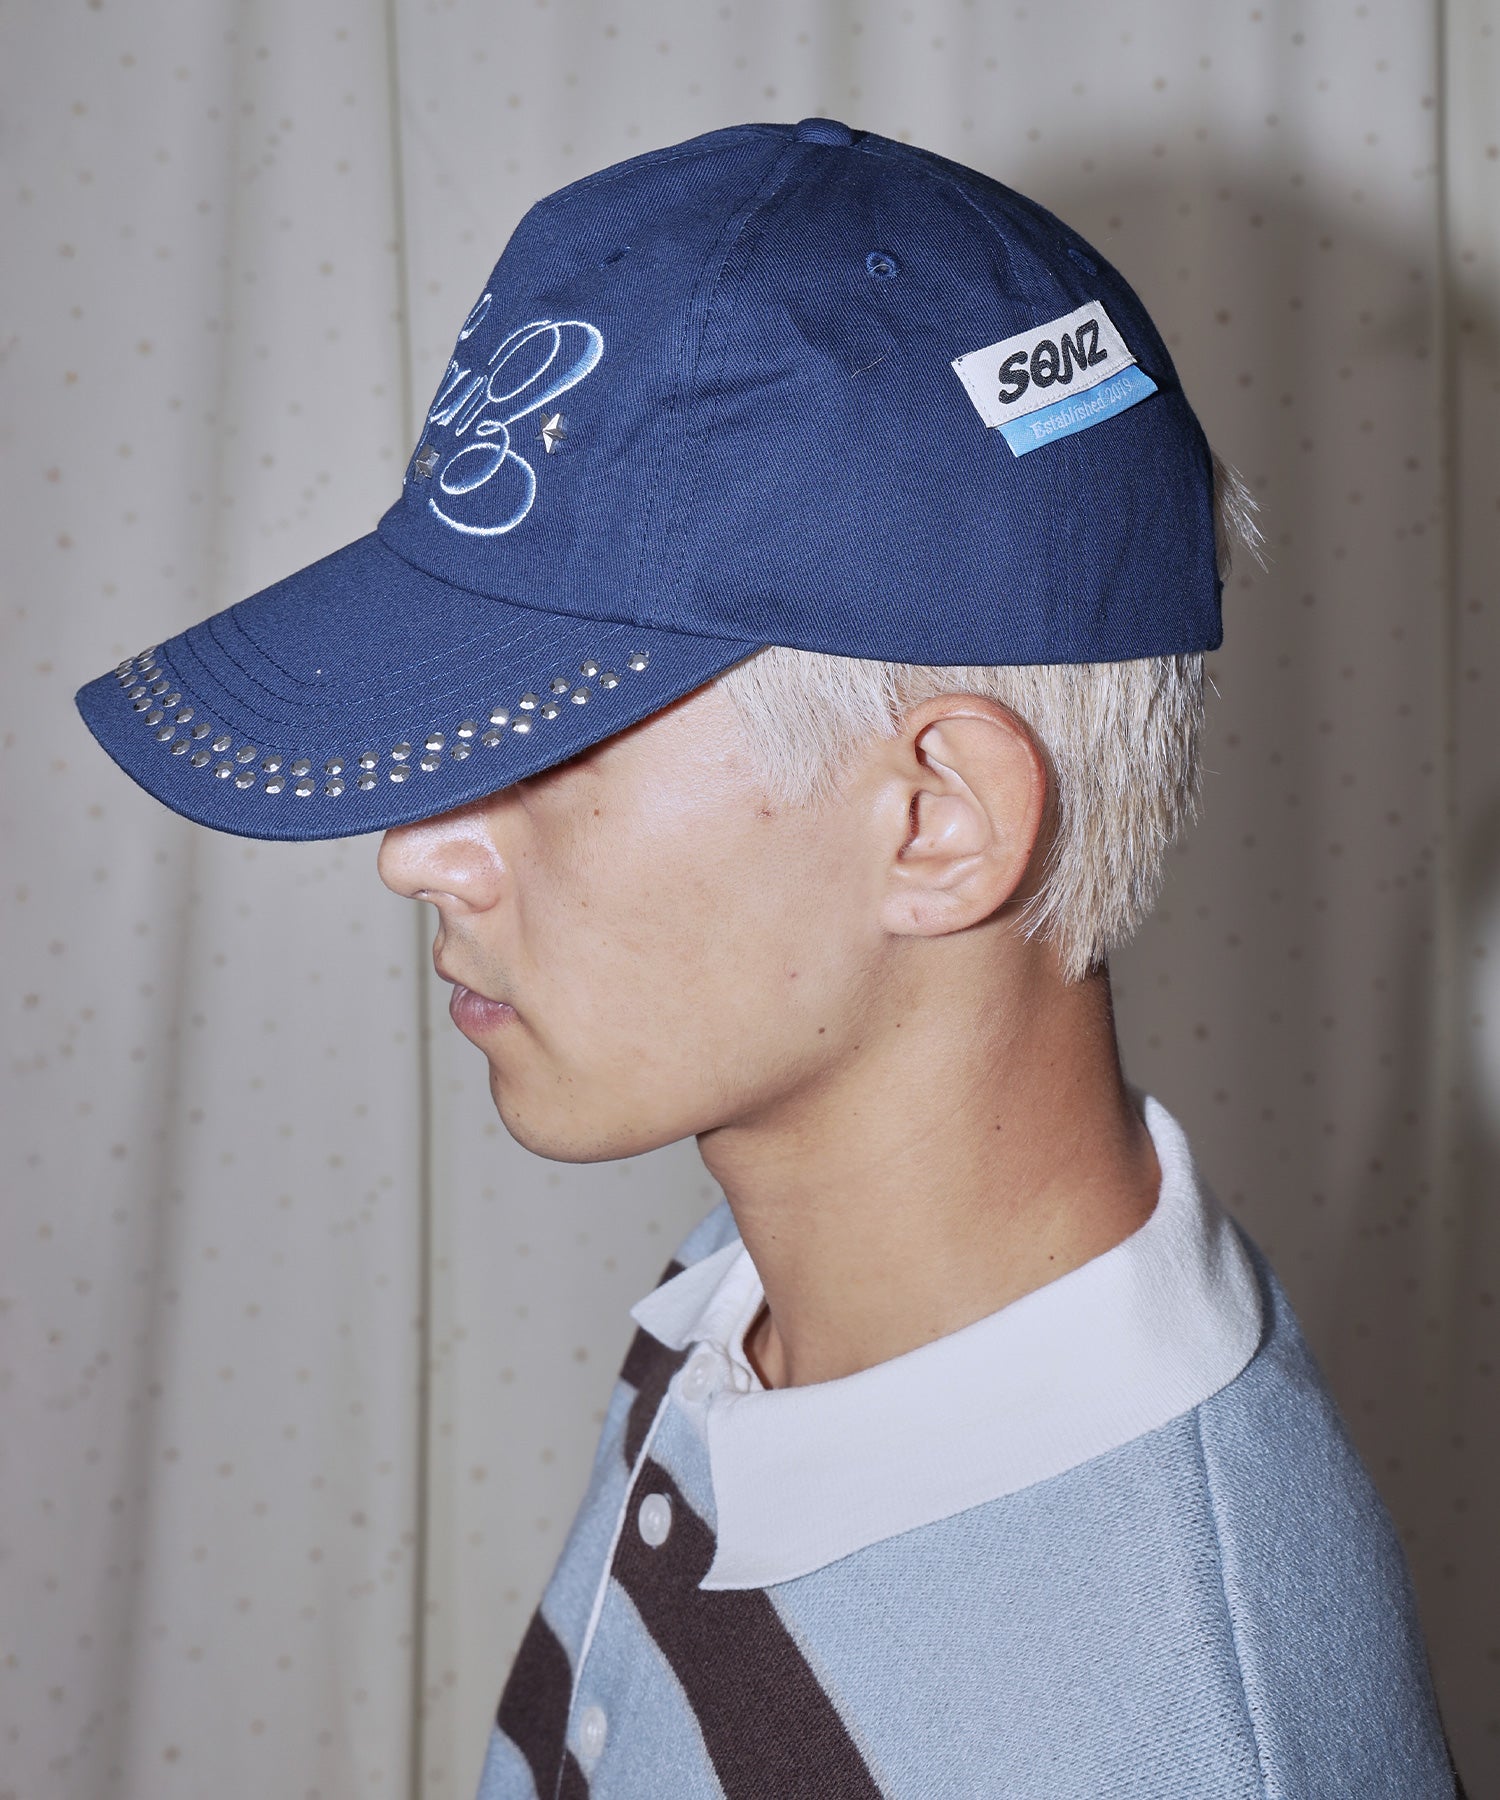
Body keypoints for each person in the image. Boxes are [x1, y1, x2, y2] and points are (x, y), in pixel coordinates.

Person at [74, 118, 1463, 1799]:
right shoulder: (759, 1291)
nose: (416, 851)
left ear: (936, 821)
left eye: (547, 746)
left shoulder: (1144, 1737)